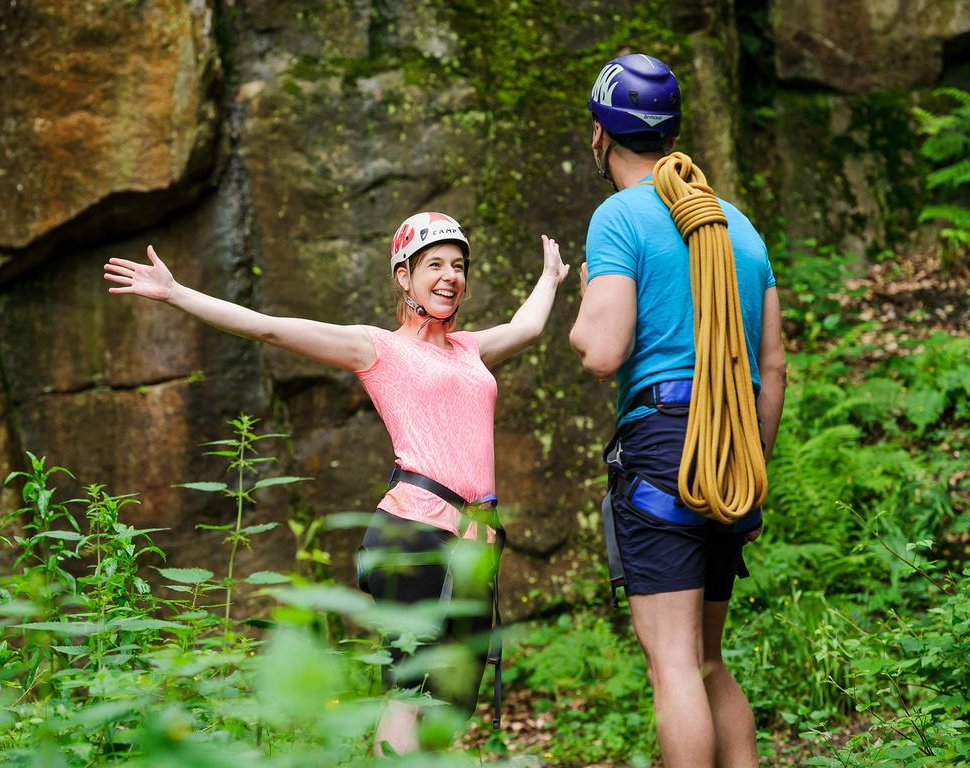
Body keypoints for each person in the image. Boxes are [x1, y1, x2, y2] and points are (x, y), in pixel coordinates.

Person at [103, 211, 569, 754]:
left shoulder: (470, 350)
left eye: (459, 266)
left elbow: (529, 328)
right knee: (412, 687)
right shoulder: (378, 349)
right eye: (434, 264)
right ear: (404, 276)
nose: (450, 276)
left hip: (473, 544)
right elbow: (268, 327)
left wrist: (550, 278)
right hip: (413, 533)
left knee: (451, 695)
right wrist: (178, 293)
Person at [569, 53, 786, 768]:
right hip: (729, 450)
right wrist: (747, 465)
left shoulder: (620, 217)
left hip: (664, 445)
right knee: (709, 661)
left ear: (602, 134)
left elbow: (603, 351)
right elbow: (773, 367)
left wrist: (579, 320)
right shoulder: (739, 228)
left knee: (672, 663)